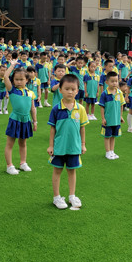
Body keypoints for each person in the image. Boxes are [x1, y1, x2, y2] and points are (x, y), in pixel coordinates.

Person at [47, 74, 89, 209]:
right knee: (57, 171)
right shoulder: (56, 109)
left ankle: (72, 196)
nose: (70, 92)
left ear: (77, 91)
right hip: (59, 147)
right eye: (67, 89)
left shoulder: (80, 108)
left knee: (72, 171)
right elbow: (52, 128)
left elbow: (82, 128)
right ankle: (56, 197)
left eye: (73, 89)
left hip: (74, 147)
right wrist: (51, 146)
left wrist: (83, 144)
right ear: (60, 90)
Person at [4, 60, 37, 174]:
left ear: (27, 80)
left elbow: (33, 108)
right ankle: (9, 166)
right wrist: (12, 65)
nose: (18, 81)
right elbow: (5, 76)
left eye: (21, 79)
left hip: (26, 120)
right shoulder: (12, 90)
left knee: (23, 143)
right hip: (15, 119)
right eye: (16, 79)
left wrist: (35, 121)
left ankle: (23, 163)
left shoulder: (30, 93)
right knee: (10, 143)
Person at [99, 71, 126, 160]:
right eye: (112, 81)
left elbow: (121, 105)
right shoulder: (104, 94)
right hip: (108, 119)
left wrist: (120, 116)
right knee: (107, 136)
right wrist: (103, 118)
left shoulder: (119, 93)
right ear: (107, 82)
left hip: (116, 119)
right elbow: (102, 107)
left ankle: (112, 151)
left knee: (113, 136)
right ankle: (107, 152)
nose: (115, 83)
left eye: (116, 81)